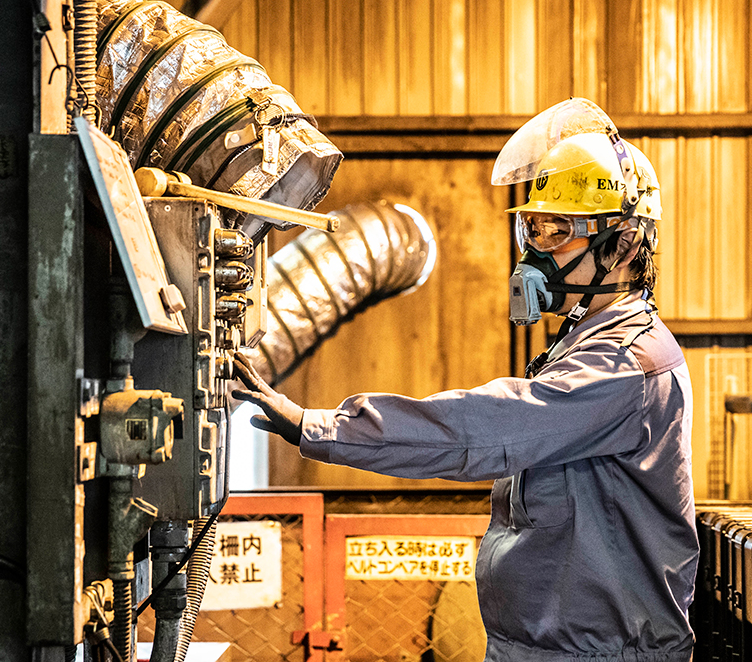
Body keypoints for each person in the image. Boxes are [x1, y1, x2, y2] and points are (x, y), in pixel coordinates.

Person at [232, 98, 698, 662]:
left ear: (622, 245)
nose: (536, 253)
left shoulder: (624, 365)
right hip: (550, 648)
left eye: (558, 232)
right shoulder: (586, 343)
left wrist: (324, 427)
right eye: (532, 229)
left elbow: (480, 428)